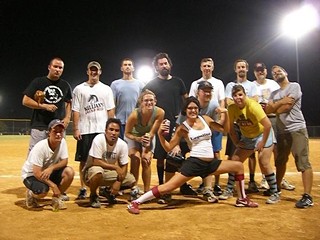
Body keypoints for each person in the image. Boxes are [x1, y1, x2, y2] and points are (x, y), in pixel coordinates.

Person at [127, 97, 258, 214]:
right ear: (185, 110)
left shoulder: (205, 119)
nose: (193, 110)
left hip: (210, 163)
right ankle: (136, 202)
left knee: (238, 166)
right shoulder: (183, 128)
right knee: (169, 187)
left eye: (195, 108)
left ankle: (242, 199)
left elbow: (224, 129)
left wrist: (226, 114)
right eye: (190, 108)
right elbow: (168, 147)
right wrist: (161, 135)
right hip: (195, 163)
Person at [143, 53, 195, 200]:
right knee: (161, 157)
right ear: (156, 67)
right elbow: (144, 103)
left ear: (170, 65)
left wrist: (184, 119)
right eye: (161, 64)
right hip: (160, 125)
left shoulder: (178, 82)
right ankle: (162, 188)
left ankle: (182, 185)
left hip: (177, 124)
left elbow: (187, 103)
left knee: (179, 155)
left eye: (166, 63)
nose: (164, 66)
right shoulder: (151, 85)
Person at [219, 85, 279, 204]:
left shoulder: (253, 106)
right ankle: (229, 189)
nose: (238, 98)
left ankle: (275, 192)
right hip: (248, 137)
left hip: (263, 134)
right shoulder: (231, 108)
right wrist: (236, 142)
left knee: (263, 161)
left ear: (245, 95)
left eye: (240, 95)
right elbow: (230, 129)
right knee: (235, 160)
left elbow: (267, 125)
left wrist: (262, 143)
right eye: (235, 95)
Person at [266, 65, 314, 208]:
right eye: (274, 73)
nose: (276, 73)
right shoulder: (274, 93)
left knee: (302, 161)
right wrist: (280, 102)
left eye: (279, 71)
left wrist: (276, 107)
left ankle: (308, 196)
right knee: (280, 160)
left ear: (285, 72)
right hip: (282, 131)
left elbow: (286, 108)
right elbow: (268, 110)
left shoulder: (294, 86)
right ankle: (277, 188)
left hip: (296, 128)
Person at [72, 61, 115, 200]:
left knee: (103, 159)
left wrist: (110, 129)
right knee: (84, 160)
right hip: (85, 130)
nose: (94, 72)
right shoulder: (79, 89)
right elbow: (76, 110)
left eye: (96, 70)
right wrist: (76, 128)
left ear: (100, 72)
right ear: (87, 71)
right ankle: (83, 188)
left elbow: (110, 110)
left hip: (102, 130)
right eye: (91, 70)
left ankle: (102, 187)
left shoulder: (106, 89)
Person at [176, 81, 222, 201]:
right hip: (187, 136)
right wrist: (176, 145)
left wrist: (225, 115)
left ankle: (210, 188)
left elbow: (217, 126)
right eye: (204, 90)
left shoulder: (213, 105)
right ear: (198, 92)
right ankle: (181, 184)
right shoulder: (189, 104)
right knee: (173, 158)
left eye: (209, 91)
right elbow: (178, 126)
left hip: (205, 135)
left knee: (212, 155)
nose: (207, 93)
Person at [253, 62, 295, 191]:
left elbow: (281, 100)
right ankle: (266, 178)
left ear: (266, 71)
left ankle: (279, 179)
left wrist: (272, 107)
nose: (260, 72)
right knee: (264, 150)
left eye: (262, 70)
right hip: (260, 120)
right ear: (254, 72)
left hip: (274, 119)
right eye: (257, 70)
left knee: (279, 150)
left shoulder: (273, 83)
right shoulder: (252, 85)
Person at [189, 57, 225, 195]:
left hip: (213, 120)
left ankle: (216, 184)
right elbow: (191, 102)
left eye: (209, 65)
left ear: (213, 67)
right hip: (198, 124)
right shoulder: (195, 84)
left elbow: (222, 102)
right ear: (201, 67)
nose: (207, 67)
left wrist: (221, 118)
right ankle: (205, 183)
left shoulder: (218, 83)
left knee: (215, 153)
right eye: (204, 65)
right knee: (200, 153)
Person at [82, 118, 138, 208]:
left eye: (117, 130)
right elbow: (95, 161)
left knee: (131, 180)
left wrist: (118, 182)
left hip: (108, 172)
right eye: (111, 129)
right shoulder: (99, 139)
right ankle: (93, 195)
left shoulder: (122, 144)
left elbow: (124, 166)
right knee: (98, 172)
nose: (113, 133)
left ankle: (107, 191)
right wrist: (115, 167)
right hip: (91, 172)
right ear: (105, 131)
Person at [21, 119, 75, 210]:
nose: (58, 134)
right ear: (49, 133)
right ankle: (31, 194)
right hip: (31, 175)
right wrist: (53, 186)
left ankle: (56, 199)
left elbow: (64, 161)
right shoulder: (41, 147)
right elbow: (37, 173)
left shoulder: (62, 142)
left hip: (47, 172)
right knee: (42, 191)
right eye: (55, 131)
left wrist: (52, 168)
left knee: (69, 172)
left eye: (60, 131)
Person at [22, 57, 72, 153]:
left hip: (58, 127)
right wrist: (44, 106)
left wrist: (67, 118)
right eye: (55, 66)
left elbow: (69, 102)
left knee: (57, 155)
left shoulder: (65, 85)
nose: (58, 70)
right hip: (40, 126)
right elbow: (25, 100)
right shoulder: (38, 82)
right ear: (49, 67)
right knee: (35, 154)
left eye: (60, 68)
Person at [225, 59, 259, 193]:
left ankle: (251, 181)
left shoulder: (252, 85)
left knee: (251, 155)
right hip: (236, 124)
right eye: (239, 67)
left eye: (243, 67)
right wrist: (244, 102)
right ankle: (230, 184)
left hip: (250, 124)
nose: (241, 69)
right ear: (235, 69)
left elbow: (256, 100)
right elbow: (228, 101)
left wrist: (239, 104)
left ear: (247, 69)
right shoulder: (230, 85)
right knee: (232, 154)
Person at [124, 89, 165, 193]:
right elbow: (127, 133)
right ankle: (134, 188)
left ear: (155, 101)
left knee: (146, 160)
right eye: (146, 100)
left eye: (151, 100)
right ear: (141, 102)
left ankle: (147, 192)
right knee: (135, 158)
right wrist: (138, 139)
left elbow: (152, 133)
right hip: (133, 136)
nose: (149, 103)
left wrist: (147, 144)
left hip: (148, 136)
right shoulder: (134, 115)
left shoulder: (160, 112)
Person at [110, 58, 145, 139]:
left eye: (129, 65)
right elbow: (112, 104)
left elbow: (143, 104)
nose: (127, 67)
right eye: (125, 65)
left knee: (133, 148)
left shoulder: (140, 84)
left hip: (135, 122)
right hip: (120, 122)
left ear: (133, 68)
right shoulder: (115, 84)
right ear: (121, 68)